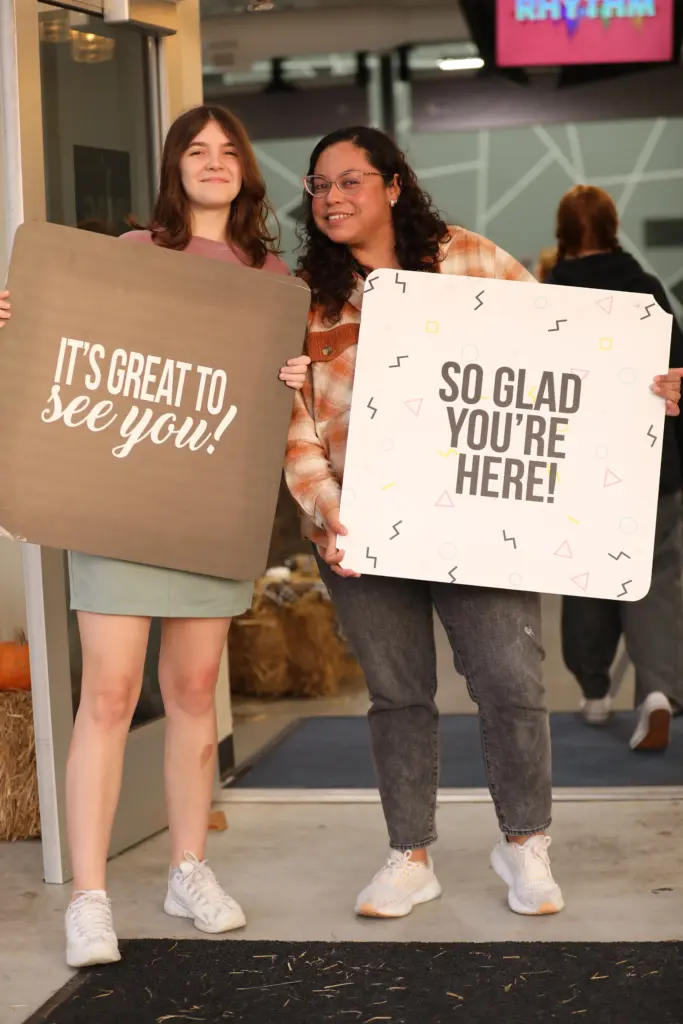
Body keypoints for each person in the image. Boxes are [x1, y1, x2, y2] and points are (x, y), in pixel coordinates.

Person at [283, 127, 681, 921]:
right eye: (319, 184)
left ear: (393, 186)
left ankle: (525, 844)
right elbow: (292, 424)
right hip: (359, 531)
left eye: (350, 181)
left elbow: (566, 355)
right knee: (397, 694)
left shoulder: (468, 258)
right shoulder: (304, 296)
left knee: (509, 679)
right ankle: (409, 856)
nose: (331, 197)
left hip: (482, 520)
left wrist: (649, 384)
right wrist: (332, 513)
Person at [0, 104, 310, 968]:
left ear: (245, 171)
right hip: (121, 507)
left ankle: (187, 868)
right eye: (196, 152)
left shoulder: (269, 275)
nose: (212, 163)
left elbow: (262, 411)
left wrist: (292, 373)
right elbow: (67, 345)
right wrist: (17, 320)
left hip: (207, 514)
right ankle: (90, 900)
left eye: (226, 152)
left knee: (193, 689)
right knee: (108, 693)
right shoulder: (135, 257)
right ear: (174, 169)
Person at [548, 185, 683, 750]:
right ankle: (656, 691)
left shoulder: (548, 295)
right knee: (657, 581)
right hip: (650, 464)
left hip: (577, 467)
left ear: (562, 231)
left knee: (585, 579)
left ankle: (595, 692)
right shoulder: (647, 292)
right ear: (614, 226)